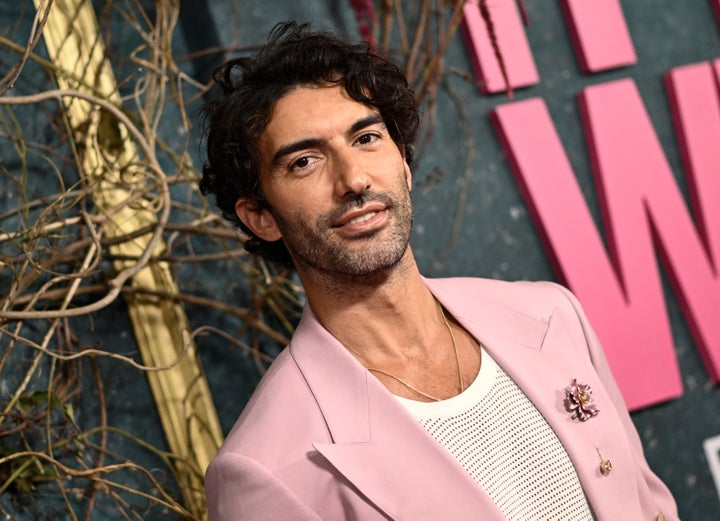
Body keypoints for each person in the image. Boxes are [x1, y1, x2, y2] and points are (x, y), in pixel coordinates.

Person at [199, 21, 678, 521]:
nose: (354, 179)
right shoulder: (263, 469)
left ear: (403, 164)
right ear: (260, 216)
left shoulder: (551, 315)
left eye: (365, 137)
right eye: (304, 162)